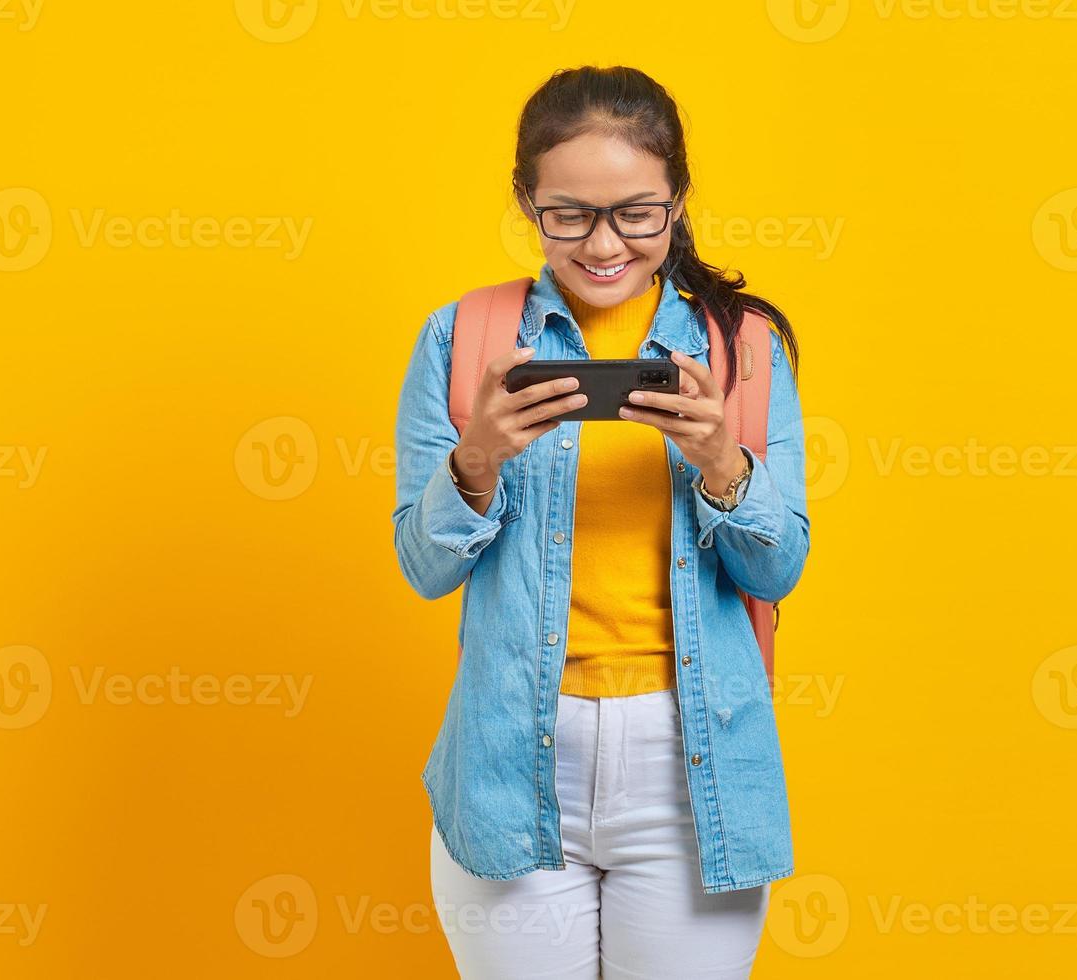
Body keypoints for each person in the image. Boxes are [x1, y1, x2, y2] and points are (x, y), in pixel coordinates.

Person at [391, 64, 810, 979]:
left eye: (637, 212)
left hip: (691, 761)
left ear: (677, 201)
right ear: (528, 202)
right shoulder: (460, 339)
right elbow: (424, 570)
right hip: (508, 757)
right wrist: (476, 460)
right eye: (569, 213)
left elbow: (777, 574)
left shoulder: (742, 348)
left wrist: (723, 468)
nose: (605, 242)